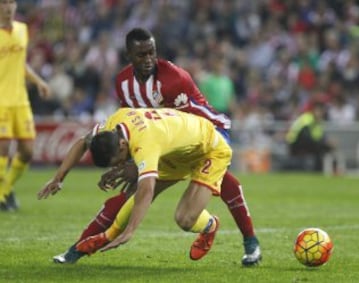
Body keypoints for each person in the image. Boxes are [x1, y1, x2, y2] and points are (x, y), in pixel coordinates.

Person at [46, 27, 261, 266]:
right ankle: (76, 250)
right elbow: (124, 129)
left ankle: (250, 241)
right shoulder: (124, 84)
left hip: (205, 133)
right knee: (129, 193)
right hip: (165, 142)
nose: (149, 60)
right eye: (142, 55)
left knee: (222, 186)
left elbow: (181, 124)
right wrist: (60, 177)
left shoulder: (173, 79)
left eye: (152, 53)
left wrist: (137, 167)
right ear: (129, 55)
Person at [39, 107, 232, 261]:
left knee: (185, 219)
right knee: (132, 192)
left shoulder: (145, 143)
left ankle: (210, 226)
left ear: (122, 145)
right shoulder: (115, 120)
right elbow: (83, 142)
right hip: (175, 152)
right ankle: (103, 239)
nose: (121, 165)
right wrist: (58, 178)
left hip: (209, 149)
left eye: (119, 160)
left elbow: (146, 191)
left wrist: (130, 231)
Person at [0, 0, 51, 211]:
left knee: (28, 151)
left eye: (11, 2)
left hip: (20, 100)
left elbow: (21, 63)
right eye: (3, 3)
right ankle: (2, 197)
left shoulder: (22, 30)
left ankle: (5, 190)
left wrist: (38, 81)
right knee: (3, 149)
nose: (8, 7)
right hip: (0, 101)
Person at [286, 100, 335, 171]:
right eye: (319, 110)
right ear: (314, 110)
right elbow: (305, 136)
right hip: (295, 145)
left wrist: (327, 143)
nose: (320, 113)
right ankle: (316, 170)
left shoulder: (317, 123)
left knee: (325, 147)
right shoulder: (307, 118)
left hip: (305, 145)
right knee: (320, 147)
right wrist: (324, 144)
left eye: (322, 111)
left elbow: (319, 137)